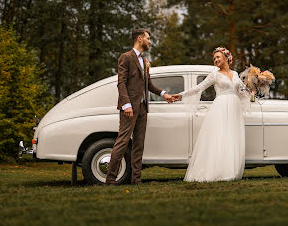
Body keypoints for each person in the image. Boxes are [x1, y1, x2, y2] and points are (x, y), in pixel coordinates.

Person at [171, 47, 250, 182]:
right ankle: (216, 171)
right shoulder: (215, 74)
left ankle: (230, 171)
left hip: (234, 108)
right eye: (214, 58)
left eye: (218, 57)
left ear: (226, 58)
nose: (216, 60)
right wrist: (181, 95)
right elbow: (200, 87)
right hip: (220, 107)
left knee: (232, 137)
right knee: (219, 137)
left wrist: (255, 85)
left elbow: (243, 91)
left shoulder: (235, 74)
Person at [106, 28, 173, 185]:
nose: (150, 41)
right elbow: (121, 82)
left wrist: (164, 94)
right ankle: (110, 180)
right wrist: (126, 104)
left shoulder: (144, 60)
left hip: (143, 108)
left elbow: (148, 84)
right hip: (129, 108)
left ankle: (136, 179)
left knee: (139, 144)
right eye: (148, 38)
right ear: (139, 38)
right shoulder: (126, 57)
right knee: (122, 142)